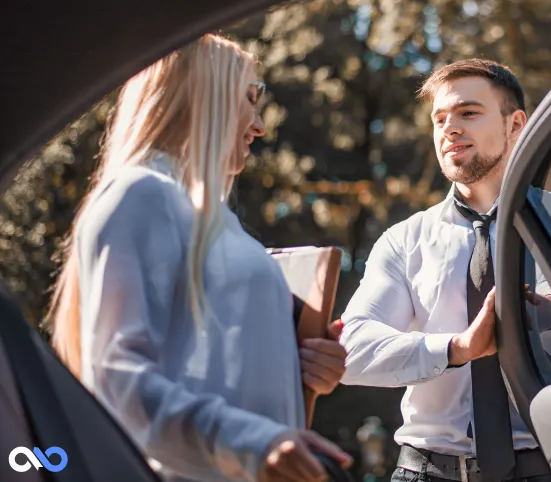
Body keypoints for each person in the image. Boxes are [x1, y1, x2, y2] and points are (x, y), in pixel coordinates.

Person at [339, 59, 551, 482]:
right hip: (426, 472)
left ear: (516, 125)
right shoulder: (404, 241)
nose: (450, 128)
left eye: (468, 113)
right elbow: (350, 349)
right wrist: (455, 348)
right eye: (440, 119)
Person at [47, 34, 350, 482]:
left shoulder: (216, 221)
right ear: (202, 96)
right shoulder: (141, 193)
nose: (260, 125)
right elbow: (115, 380)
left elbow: (206, 367)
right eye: (251, 98)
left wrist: (302, 368)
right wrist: (254, 442)